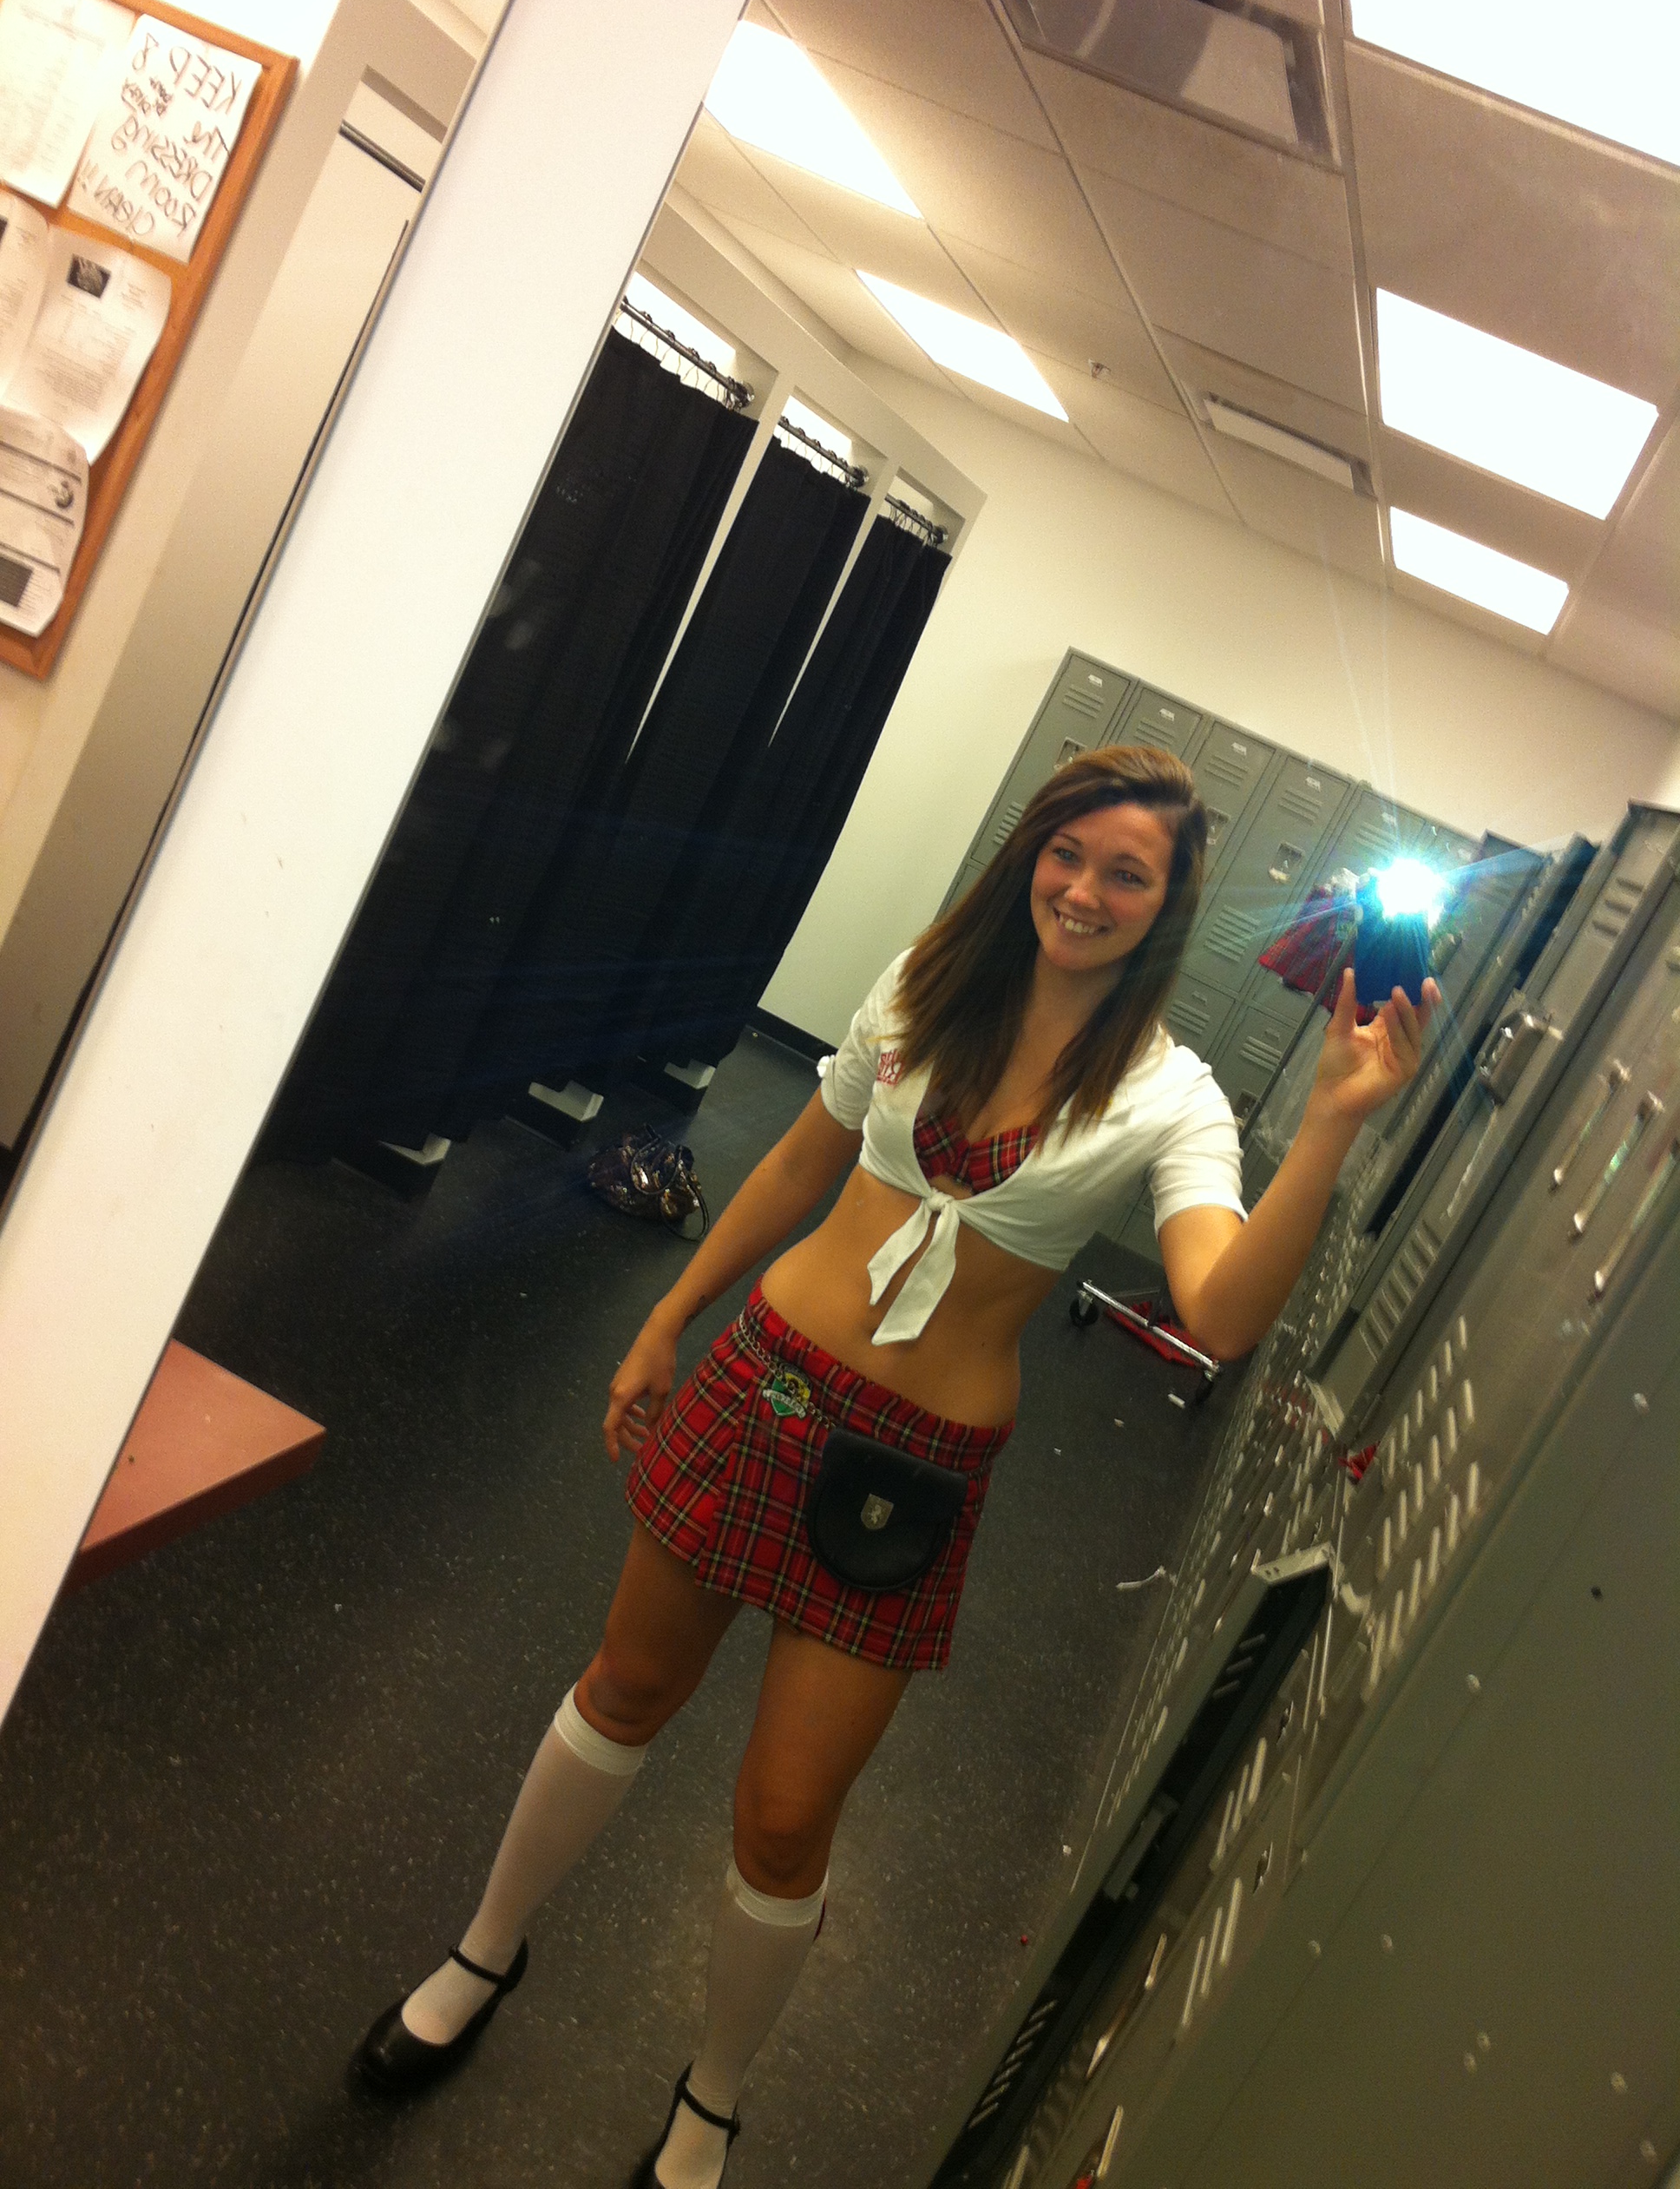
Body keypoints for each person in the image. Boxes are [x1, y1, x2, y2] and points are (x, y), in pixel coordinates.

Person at [353, 745, 1436, 2186]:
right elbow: (799, 1167)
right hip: (762, 1383)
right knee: (623, 1690)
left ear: (1170, 903)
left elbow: (1222, 1312)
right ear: (1031, 855)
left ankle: (712, 2101)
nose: (1085, 890)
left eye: (1128, 874)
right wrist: (669, 1320)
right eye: (1068, 853)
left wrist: (1335, 1127)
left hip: (914, 1470)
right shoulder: (926, 987)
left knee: (786, 1816)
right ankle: (485, 1952)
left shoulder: (1172, 1097)